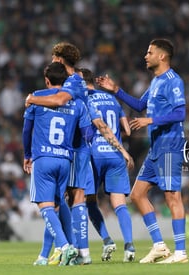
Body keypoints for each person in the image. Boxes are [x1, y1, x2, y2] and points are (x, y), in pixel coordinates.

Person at [25, 42, 134, 265]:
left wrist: (32, 98)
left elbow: (59, 101)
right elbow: (97, 120)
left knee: (70, 199)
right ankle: (61, 251)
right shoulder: (80, 83)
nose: (52, 60)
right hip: (76, 146)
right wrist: (120, 148)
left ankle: (75, 250)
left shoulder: (72, 81)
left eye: (54, 57)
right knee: (65, 199)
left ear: (60, 59)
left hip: (71, 147)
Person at [96, 38, 189, 264]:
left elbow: (180, 113)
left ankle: (181, 252)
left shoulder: (173, 80)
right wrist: (116, 90)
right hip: (156, 147)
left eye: (149, 52)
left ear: (162, 56)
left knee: (171, 196)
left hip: (170, 145)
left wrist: (150, 120)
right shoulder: (156, 81)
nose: (145, 56)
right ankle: (159, 245)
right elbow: (139, 105)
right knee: (136, 194)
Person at [23, 62, 92, 266]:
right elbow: (88, 133)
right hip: (65, 161)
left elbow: (27, 130)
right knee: (55, 207)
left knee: (45, 207)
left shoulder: (37, 96)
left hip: (43, 159)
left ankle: (64, 246)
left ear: (47, 80)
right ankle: (43, 257)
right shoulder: (77, 102)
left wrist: (27, 154)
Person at [79, 68, 135, 262]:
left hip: (94, 155)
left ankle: (107, 240)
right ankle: (129, 246)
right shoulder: (112, 99)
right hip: (116, 155)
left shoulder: (83, 98)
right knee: (119, 205)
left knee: (89, 201)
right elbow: (127, 130)